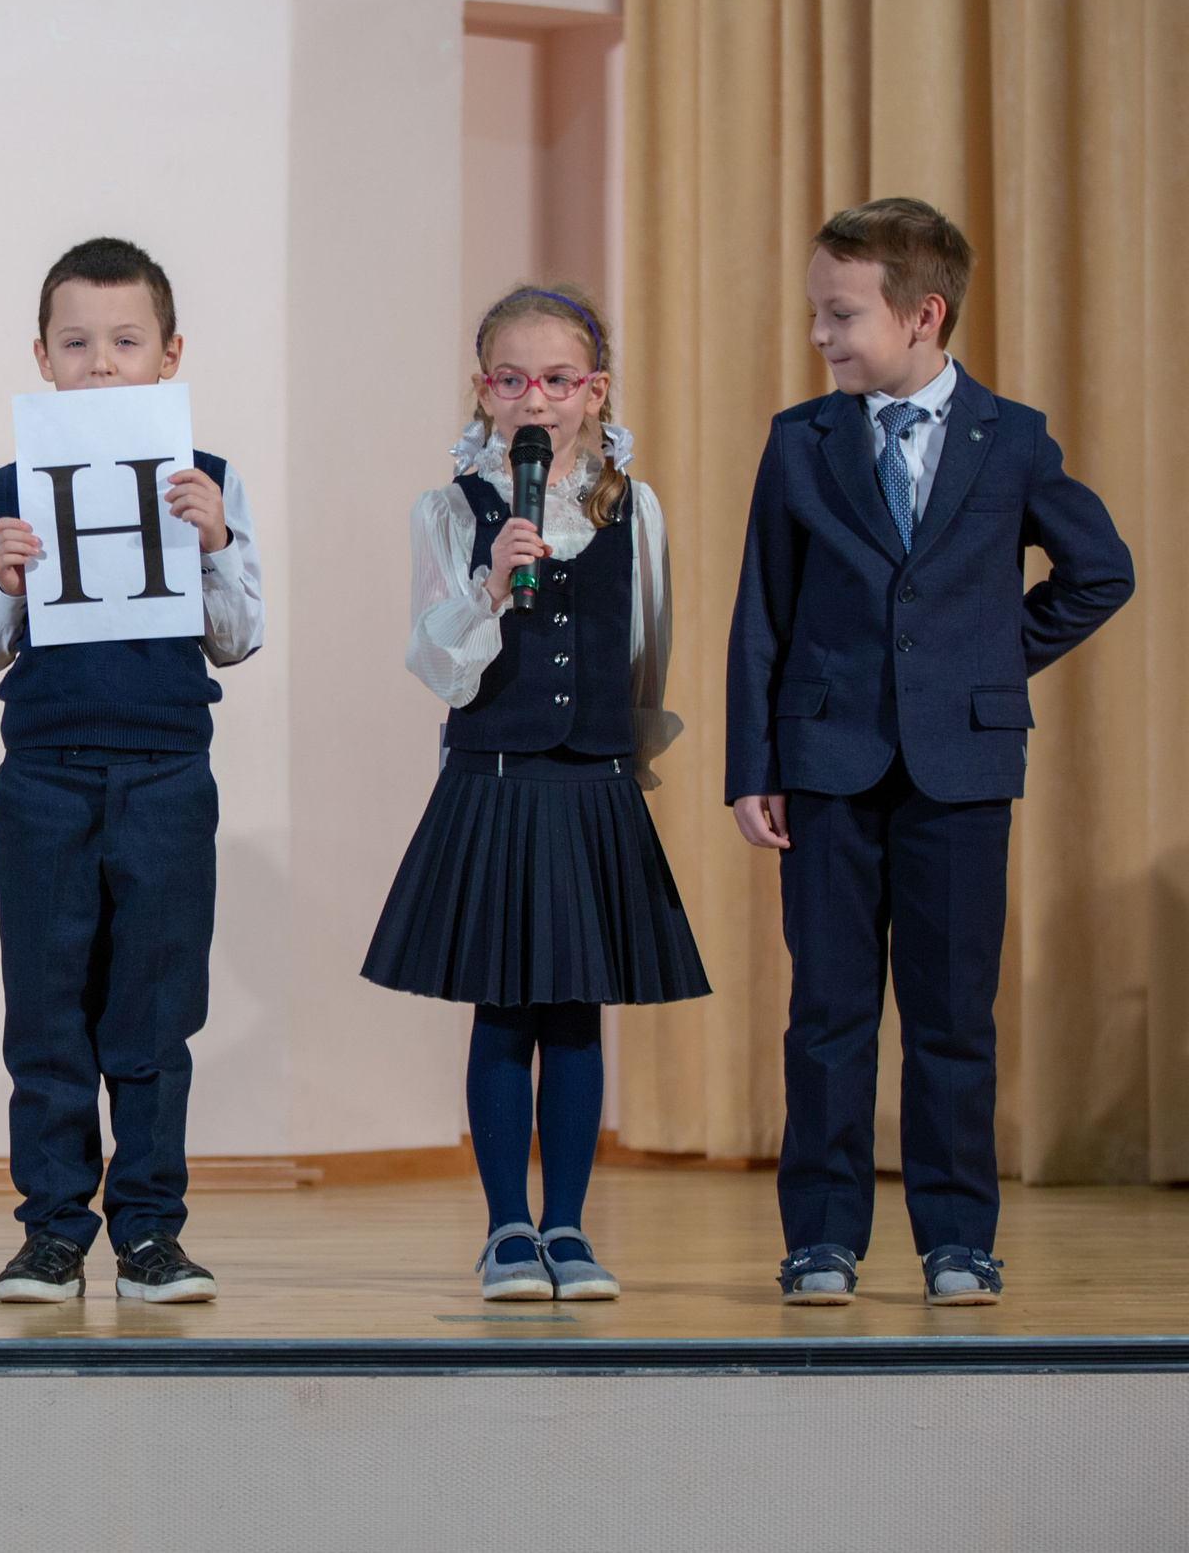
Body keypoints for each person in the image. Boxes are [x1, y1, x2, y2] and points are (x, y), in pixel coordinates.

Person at [729, 198, 1133, 1307]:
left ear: (923, 314)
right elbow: (760, 612)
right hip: (823, 764)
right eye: (815, 311)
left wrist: (990, 667)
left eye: (840, 314)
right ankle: (820, 1235)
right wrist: (751, 763)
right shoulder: (798, 442)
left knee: (952, 1017)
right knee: (828, 1013)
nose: (820, 334)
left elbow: (1100, 572)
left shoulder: (1012, 439)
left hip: (960, 771)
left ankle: (957, 1237)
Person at [362, 284, 707, 1301]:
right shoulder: (450, 509)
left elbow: (648, 644)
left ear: (593, 391)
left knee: (575, 1016)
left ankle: (568, 1227)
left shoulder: (632, 506)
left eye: (556, 380)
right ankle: (506, 1227)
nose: (535, 399)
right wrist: (487, 588)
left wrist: (621, 758)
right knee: (503, 1013)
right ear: (484, 391)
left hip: (591, 779)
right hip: (497, 781)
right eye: (512, 380)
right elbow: (439, 666)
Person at [0, 237, 264, 1305]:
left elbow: (239, 636)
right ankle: (49, 1233)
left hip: (167, 775)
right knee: (44, 1014)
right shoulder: (16, 487)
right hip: (43, 777)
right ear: (41, 357)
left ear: (168, 356)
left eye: (125, 342)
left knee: (155, 1013)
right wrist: (4, 582)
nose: (100, 363)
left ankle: (149, 1234)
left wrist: (215, 544)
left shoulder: (202, 484)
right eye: (76, 343)